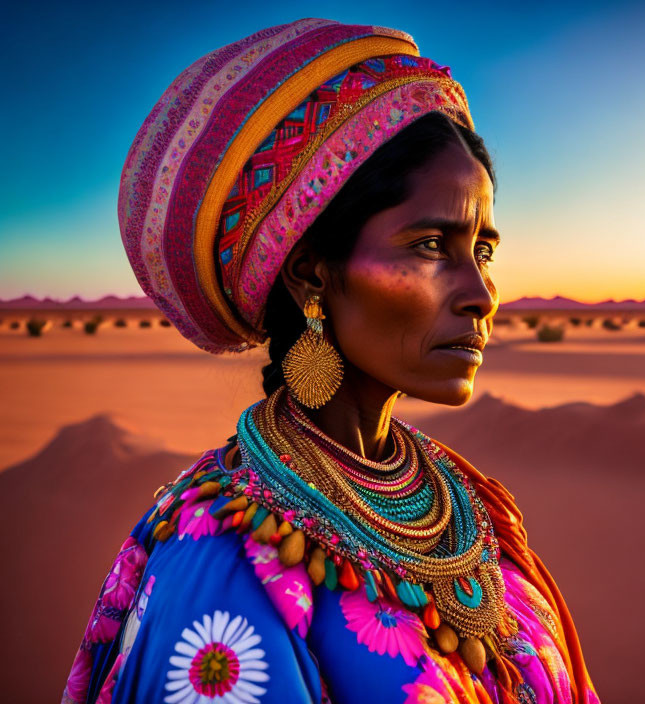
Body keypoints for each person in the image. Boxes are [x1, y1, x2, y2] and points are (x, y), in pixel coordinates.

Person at [62, 18, 601, 704]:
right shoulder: (227, 567)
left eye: (483, 249)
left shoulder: (471, 508)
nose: (480, 293)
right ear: (311, 274)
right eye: (432, 244)